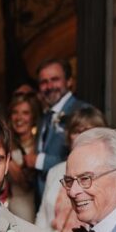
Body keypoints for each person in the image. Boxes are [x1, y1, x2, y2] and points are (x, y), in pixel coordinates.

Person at [30, 58, 88, 206]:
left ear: (69, 81)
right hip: (45, 201)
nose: (49, 86)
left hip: (69, 200)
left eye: (55, 79)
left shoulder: (82, 112)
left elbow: (87, 160)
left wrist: (40, 161)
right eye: (44, 82)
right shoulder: (45, 116)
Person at [6, 91, 40, 222]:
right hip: (7, 206)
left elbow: (26, 184)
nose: (19, 117)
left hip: (28, 209)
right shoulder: (7, 144)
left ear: (33, 117)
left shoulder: (38, 147)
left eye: (25, 113)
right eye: (15, 112)